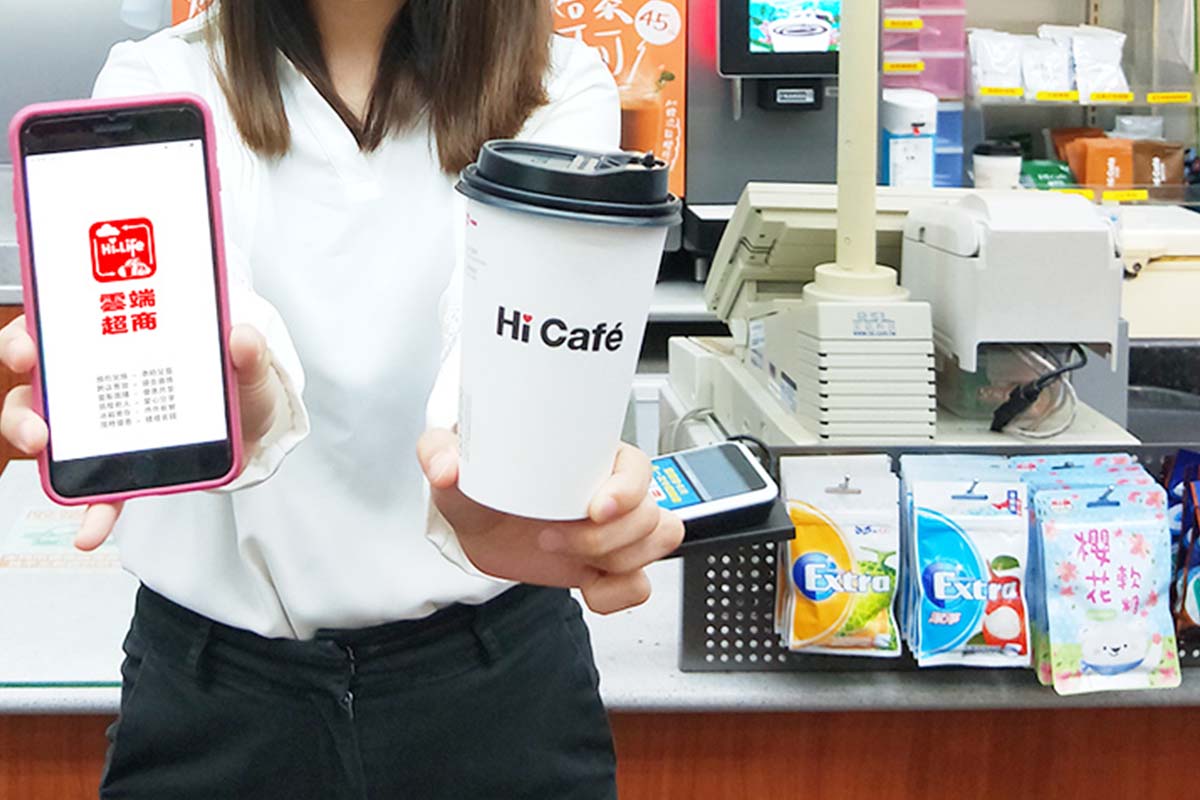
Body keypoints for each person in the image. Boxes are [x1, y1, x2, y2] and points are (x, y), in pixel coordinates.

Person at [0, 2, 684, 798]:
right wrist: (240, 405)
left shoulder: (557, 84)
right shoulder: (159, 76)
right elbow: (217, 299)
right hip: (215, 696)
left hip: (497, 683)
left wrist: (495, 475)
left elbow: (503, 337)